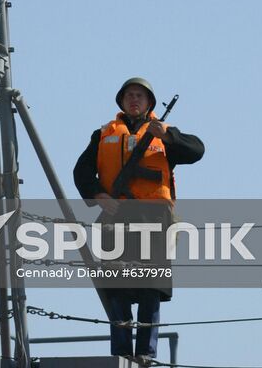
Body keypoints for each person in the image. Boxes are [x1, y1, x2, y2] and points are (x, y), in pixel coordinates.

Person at [74, 77, 204, 364]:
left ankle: (145, 352)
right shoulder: (103, 134)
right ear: (121, 101)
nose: (134, 100)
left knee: (150, 288)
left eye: (140, 96)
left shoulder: (163, 133)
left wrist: (170, 137)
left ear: (149, 103)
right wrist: (98, 194)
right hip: (115, 214)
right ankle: (121, 350)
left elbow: (197, 150)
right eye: (130, 95)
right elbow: (81, 171)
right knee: (116, 288)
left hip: (153, 217)